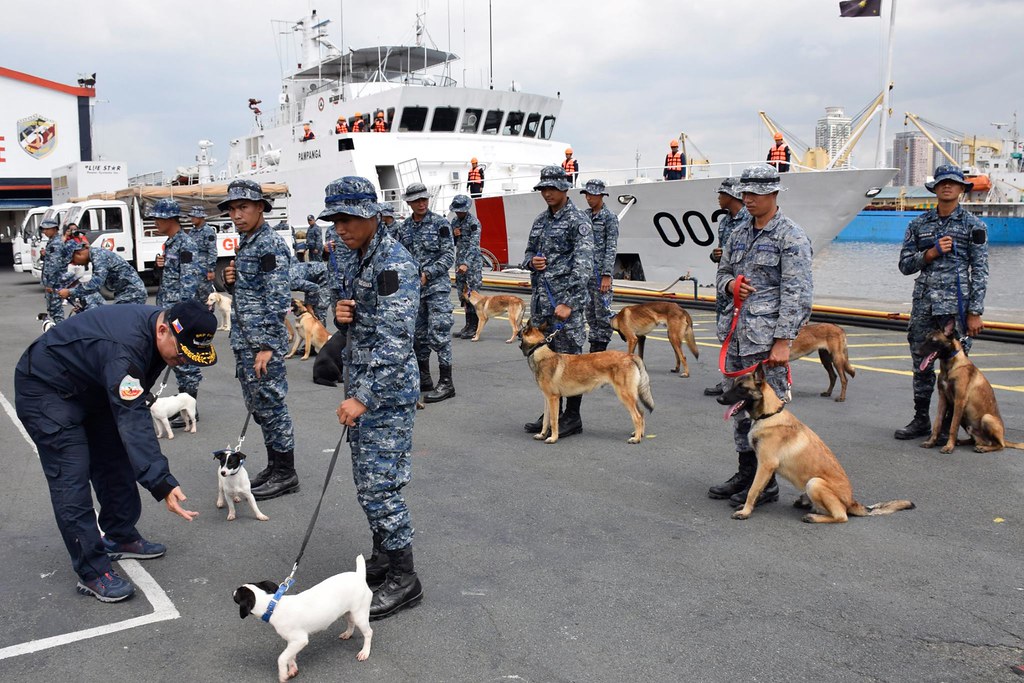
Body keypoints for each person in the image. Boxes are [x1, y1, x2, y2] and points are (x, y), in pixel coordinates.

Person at [14, 299, 213, 602]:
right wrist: (161, 482)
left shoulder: (158, 333)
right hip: (46, 391)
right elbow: (133, 419)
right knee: (72, 478)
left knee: (114, 460)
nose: (185, 361)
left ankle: (120, 535)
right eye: (183, 353)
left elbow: (130, 399)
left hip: (91, 385)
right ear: (163, 329)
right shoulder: (125, 349)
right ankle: (92, 571)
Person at [324, 175, 424, 620]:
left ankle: (405, 578)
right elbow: (357, 317)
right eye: (336, 220)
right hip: (363, 387)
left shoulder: (392, 264)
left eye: (348, 218)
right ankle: (383, 558)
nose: (340, 228)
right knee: (368, 485)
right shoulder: (354, 257)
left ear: (371, 215)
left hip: (384, 394)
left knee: (381, 487)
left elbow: (395, 340)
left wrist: (361, 397)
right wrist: (341, 312)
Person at [709, 164, 813, 509]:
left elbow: (797, 293)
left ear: (774, 193)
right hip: (737, 335)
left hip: (766, 343)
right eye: (745, 193)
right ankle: (746, 472)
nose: (748, 199)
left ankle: (767, 484)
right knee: (740, 409)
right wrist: (730, 285)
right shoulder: (738, 233)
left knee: (771, 416)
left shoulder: (791, 236)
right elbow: (723, 272)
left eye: (755, 193)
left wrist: (784, 340)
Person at [894, 165, 988, 440]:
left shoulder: (974, 226)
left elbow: (980, 270)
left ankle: (948, 426)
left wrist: (975, 312)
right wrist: (931, 253)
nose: (947, 187)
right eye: (942, 183)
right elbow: (905, 265)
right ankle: (921, 419)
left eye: (953, 183)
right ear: (935, 188)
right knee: (921, 363)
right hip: (925, 304)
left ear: (961, 189)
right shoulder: (918, 225)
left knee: (957, 369)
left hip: (956, 308)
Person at [221, 179, 299, 500]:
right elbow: (250, 293)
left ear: (261, 208)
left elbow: (278, 298)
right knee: (260, 407)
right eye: (233, 209)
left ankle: (286, 472)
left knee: (272, 405)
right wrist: (231, 282)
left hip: (261, 344)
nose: (237, 215)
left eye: (244, 207)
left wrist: (267, 346)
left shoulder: (269, 245)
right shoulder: (247, 242)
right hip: (246, 341)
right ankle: (273, 465)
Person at [522, 166, 594, 437]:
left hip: (565, 304)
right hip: (542, 303)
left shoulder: (578, 221)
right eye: (544, 189)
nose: (548, 193)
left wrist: (570, 303)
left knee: (572, 360)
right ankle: (553, 411)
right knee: (546, 360)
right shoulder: (540, 220)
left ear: (565, 189)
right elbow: (527, 252)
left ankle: (572, 417)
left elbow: (584, 266)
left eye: (552, 188)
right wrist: (532, 261)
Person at [396, 182, 456, 403]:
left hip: (436, 288)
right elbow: (400, 257)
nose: (421, 203)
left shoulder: (440, 224)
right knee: (418, 336)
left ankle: (447, 382)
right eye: (417, 200)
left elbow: (449, 255)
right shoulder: (403, 229)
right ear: (409, 202)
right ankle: (424, 378)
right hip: (414, 290)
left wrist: (428, 273)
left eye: (424, 199)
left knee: (438, 332)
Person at [151, 199, 204, 425]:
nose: (154, 222)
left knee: (185, 358)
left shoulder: (185, 244)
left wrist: (180, 315)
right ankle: (183, 406)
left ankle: (189, 407)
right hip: (168, 308)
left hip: (178, 312)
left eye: (157, 218)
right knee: (174, 357)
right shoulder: (171, 243)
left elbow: (189, 282)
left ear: (169, 219)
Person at [704, 177, 749, 396]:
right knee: (725, 334)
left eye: (721, 194)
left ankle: (746, 383)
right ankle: (728, 382)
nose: (718, 198)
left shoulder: (749, 220)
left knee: (744, 336)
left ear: (731, 196)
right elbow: (721, 254)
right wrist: (716, 255)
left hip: (743, 288)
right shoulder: (724, 223)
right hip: (725, 287)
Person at [580, 179, 619, 352]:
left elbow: (611, 247)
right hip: (585, 273)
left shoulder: (609, 217)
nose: (589, 198)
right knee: (590, 313)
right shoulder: (584, 216)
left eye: (593, 195)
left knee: (602, 313)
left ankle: (600, 350)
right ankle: (594, 348)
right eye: (587, 194)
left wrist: (606, 275)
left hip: (599, 274)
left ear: (601, 195)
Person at [58, 239, 146, 308]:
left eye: (73, 261)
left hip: (132, 294)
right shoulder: (96, 255)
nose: (75, 264)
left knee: (121, 325)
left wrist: (70, 292)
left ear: (78, 253)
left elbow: (95, 284)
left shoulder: (99, 256)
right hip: (126, 293)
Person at [450, 194, 482, 339]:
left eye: (461, 210)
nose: (458, 213)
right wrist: (454, 235)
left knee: (472, 295)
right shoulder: (455, 221)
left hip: (472, 264)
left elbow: (474, 246)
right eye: (457, 210)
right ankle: (468, 325)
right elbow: (450, 242)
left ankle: (475, 326)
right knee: (463, 295)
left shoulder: (473, 222)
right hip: (460, 263)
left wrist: (466, 263)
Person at [39, 218, 67, 323]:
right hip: (52, 282)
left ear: (54, 229)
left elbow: (54, 266)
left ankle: (61, 333)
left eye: (47, 229)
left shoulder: (56, 243)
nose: (44, 231)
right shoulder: (52, 242)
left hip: (55, 282)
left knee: (56, 310)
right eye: (43, 229)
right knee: (52, 309)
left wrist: (50, 284)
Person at [188, 205, 218, 302]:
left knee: (205, 296)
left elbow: (212, 251)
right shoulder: (192, 232)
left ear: (200, 217)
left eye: (194, 216)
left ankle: (208, 315)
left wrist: (210, 270)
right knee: (194, 296)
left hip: (203, 269)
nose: (191, 219)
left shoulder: (208, 231)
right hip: (193, 268)